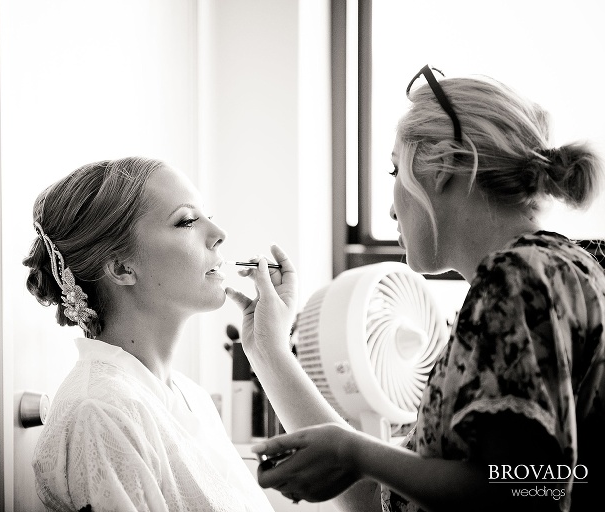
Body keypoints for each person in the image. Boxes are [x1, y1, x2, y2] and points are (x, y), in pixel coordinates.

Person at [226, 67, 605, 512]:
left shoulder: (519, 279)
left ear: (443, 168)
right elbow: (379, 500)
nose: (390, 207)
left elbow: (523, 493)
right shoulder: (570, 271)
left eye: (394, 169)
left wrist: (357, 453)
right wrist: (268, 352)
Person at [23, 156, 275, 511]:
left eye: (208, 216)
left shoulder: (193, 398)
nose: (220, 235)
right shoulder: (100, 412)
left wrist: (270, 351)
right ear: (122, 267)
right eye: (187, 221)